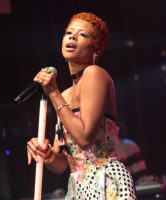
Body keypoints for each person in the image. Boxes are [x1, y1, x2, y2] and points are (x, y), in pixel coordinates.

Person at [26, 12, 136, 200]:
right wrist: (46, 153)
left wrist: (53, 93)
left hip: (105, 180)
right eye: (68, 32)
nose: (72, 36)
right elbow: (61, 166)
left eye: (83, 34)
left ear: (97, 48)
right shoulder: (65, 95)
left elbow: (85, 139)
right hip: (77, 185)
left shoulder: (95, 74)